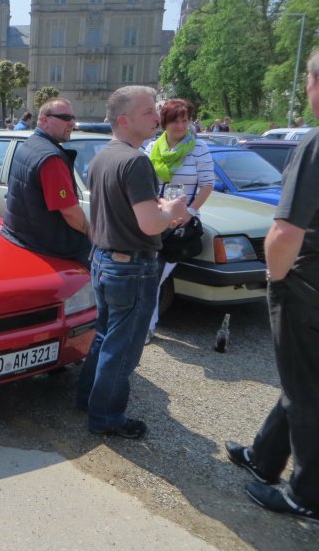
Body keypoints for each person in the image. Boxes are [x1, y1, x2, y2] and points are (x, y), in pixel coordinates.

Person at [224, 47, 319, 525]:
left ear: (315, 85)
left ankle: (307, 496)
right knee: (302, 381)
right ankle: (264, 458)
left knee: (306, 394)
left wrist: (274, 280)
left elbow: (285, 232)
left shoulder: (315, 144)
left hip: (306, 288)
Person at [75, 85, 189, 439]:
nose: (157, 117)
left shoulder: (103, 156)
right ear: (123, 120)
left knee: (105, 338)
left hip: (105, 261)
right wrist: (171, 210)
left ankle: (88, 399)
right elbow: (149, 224)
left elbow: (122, 211)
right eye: (148, 113)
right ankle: (105, 417)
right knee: (122, 349)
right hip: (131, 268)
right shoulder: (136, 160)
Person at [144, 99, 214, 342]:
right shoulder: (151, 147)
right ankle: (146, 325)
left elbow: (207, 184)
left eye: (185, 120)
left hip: (180, 223)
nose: (181, 125)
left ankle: (147, 326)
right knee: (148, 274)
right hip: (155, 219)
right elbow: (145, 183)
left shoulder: (198, 148)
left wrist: (190, 212)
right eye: (176, 120)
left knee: (156, 275)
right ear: (164, 122)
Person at [1, 98, 92, 267]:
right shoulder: (51, 158)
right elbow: (70, 212)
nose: (72, 123)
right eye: (65, 117)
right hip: (49, 246)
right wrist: (89, 231)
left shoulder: (30, 144)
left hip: (22, 237)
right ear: (44, 120)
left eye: (73, 118)